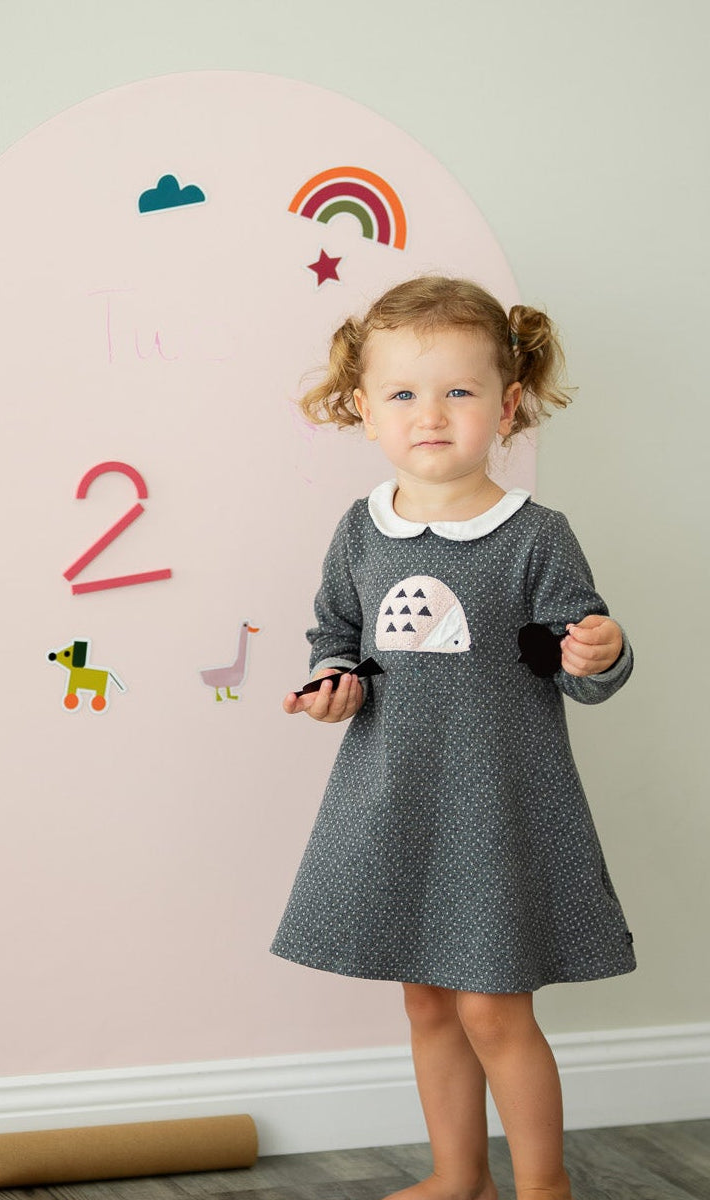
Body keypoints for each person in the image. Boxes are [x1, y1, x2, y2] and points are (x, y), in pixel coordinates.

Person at [272, 277, 634, 1200]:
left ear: (507, 407)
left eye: (459, 393)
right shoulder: (362, 532)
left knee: (492, 1007)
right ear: (364, 410)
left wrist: (599, 650)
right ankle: (456, 1174)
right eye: (402, 394)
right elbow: (337, 639)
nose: (429, 415)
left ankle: (544, 1184)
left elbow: (574, 660)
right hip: (394, 799)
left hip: (499, 811)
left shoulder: (535, 538)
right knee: (426, 998)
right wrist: (332, 686)